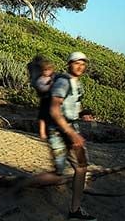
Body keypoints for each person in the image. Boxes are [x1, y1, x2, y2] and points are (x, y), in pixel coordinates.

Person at [11, 51, 97, 220]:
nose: (80, 66)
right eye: (76, 63)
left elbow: (73, 107)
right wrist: (71, 134)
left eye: (82, 63)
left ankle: (75, 210)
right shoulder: (63, 83)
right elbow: (54, 110)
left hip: (71, 128)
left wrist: (83, 114)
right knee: (58, 174)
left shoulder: (77, 84)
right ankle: (25, 183)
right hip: (58, 131)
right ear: (69, 64)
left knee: (82, 167)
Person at [34, 58, 56, 140]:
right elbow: (42, 88)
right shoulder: (40, 79)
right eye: (45, 70)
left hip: (52, 101)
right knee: (42, 117)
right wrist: (50, 85)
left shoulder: (52, 78)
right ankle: (42, 133)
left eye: (49, 70)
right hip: (45, 100)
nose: (47, 71)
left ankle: (51, 133)